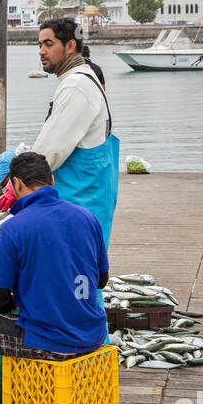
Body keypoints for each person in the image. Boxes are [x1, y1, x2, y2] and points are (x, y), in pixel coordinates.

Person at [0, 152, 109, 404]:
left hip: (52, 343)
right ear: (53, 182)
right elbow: (101, 281)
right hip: (93, 334)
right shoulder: (87, 218)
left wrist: (14, 300)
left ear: (17, 184)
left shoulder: (13, 227)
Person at [31, 17, 119, 246]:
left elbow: (48, 154)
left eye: (48, 44)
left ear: (70, 45)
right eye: (39, 45)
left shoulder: (76, 86)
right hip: (88, 202)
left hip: (76, 205)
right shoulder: (85, 78)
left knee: (68, 274)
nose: (41, 51)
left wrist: (19, 182)